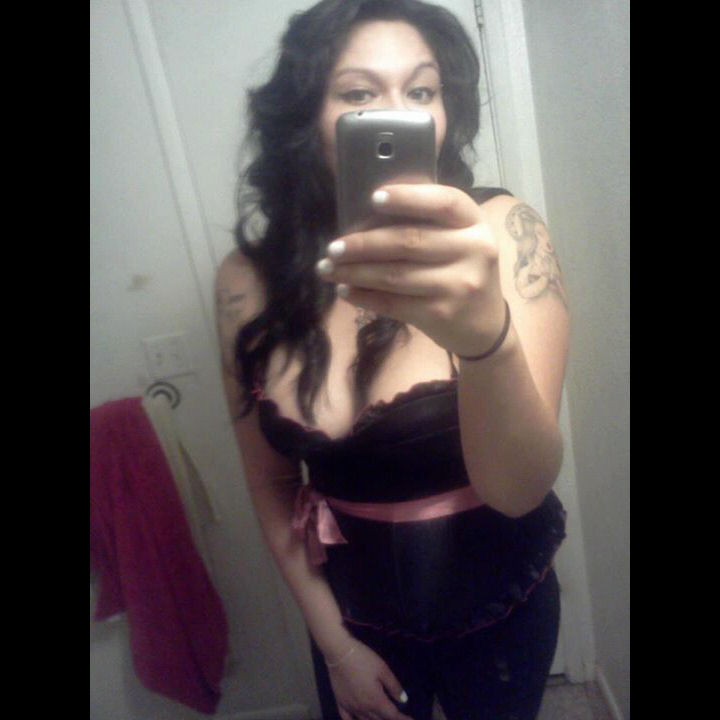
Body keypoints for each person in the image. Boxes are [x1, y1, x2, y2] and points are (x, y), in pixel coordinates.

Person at [215, 1, 570, 718]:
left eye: (421, 90)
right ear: (304, 115)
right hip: (351, 626)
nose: (396, 115)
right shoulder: (246, 282)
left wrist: (486, 338)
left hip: (502, 614)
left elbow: (520, 490)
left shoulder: (501, 235)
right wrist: (336, 649)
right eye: (358, 93)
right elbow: (271, 484)